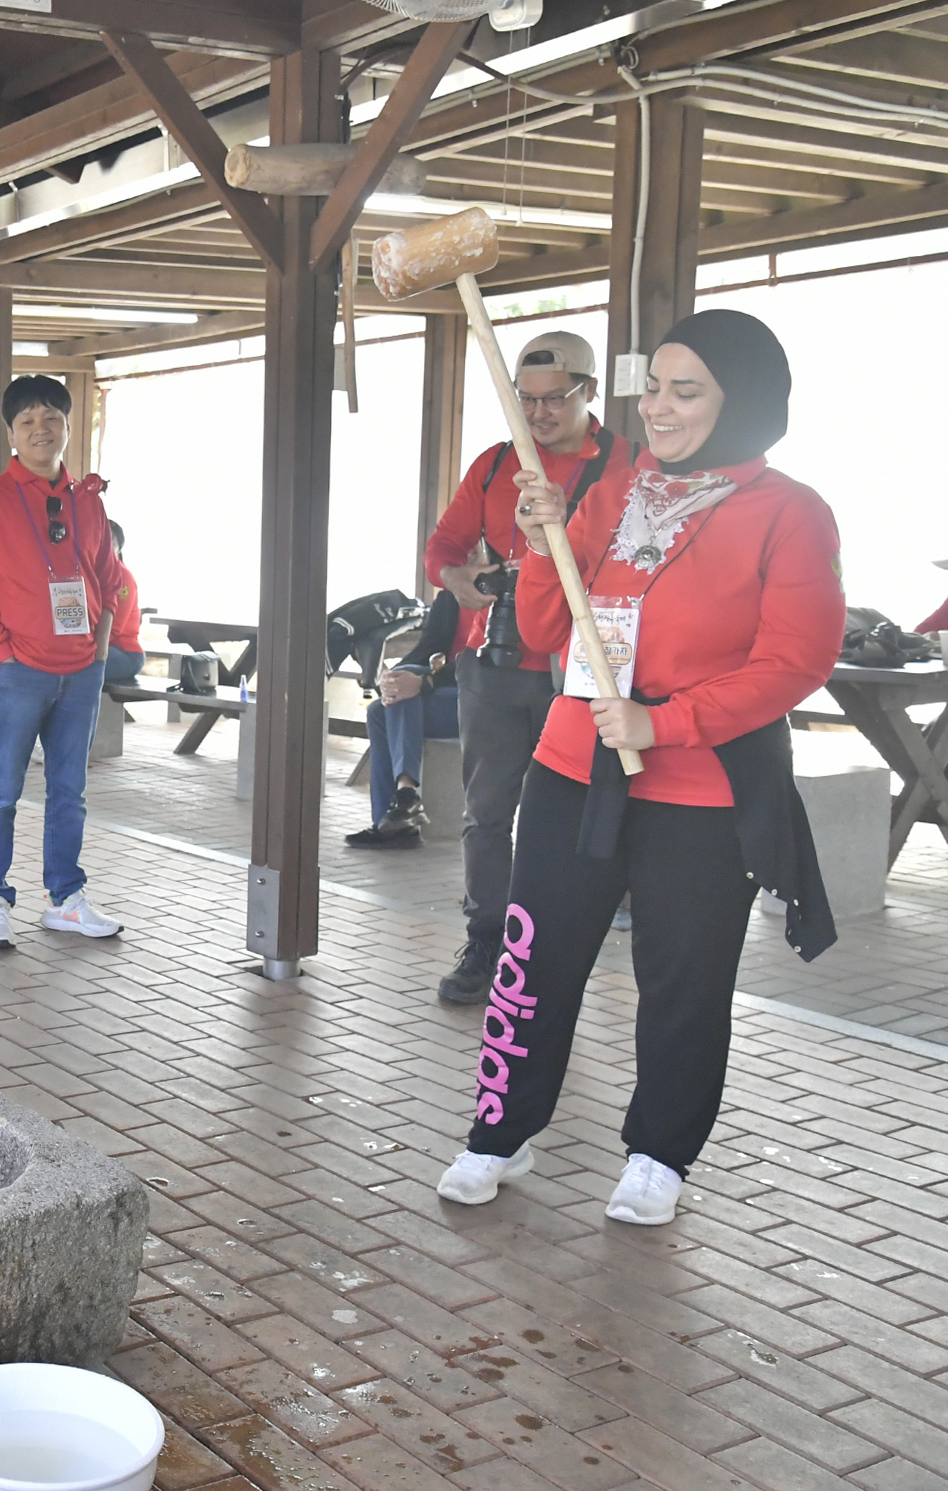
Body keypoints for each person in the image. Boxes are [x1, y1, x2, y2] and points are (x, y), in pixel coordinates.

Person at [435, 309, 842, 1228]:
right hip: (571, 766)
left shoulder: (789, 511)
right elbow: (547, 627)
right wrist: (543, 546)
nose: (658, 408)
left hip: (699, 786)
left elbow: (795, 662)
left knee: (683, 974)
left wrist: (666, 721)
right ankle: (501, 1129)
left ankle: (660, 1150)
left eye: (685, 391)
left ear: (743, 401)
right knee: (531, 958)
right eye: (651, 387)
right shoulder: (616, 495)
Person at [425, 330, 632, 1004]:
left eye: (554, 398)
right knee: (485, 812)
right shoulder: (493, 463)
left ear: (589, 392)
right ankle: (487, 936)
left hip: (579, 672)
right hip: (493, 663)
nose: (538, 412)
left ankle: (554, 946)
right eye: (525, 398)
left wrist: (565, 532)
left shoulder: (625, 469)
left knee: (572, 816)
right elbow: (442, 547)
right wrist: (456, 578)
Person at [0, 375, 122, 948]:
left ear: (67, 428)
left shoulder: (87, 499)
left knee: (69, 790)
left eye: (51, 418)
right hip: (15, 670)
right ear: (11, 433)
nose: (41, 430)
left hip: (80, 669)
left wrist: (99, 649)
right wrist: (1, 652)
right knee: (0, 789)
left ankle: (66, 896)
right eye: (28, 421)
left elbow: (109, 576)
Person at [346, 589, 461, 848]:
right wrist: (395, 677)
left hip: (483, 699)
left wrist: (426, 681)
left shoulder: (499, 594)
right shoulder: (449, 599)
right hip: (444, 693)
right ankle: (391, 818)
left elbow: (484, 663)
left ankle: (405, 797)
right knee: (379, 711)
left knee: (404, 691)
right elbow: (426, 648)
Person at [104, 520, 144, 684]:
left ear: (119, 548)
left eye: (109, 542)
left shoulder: (123, 577)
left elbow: (113, 629)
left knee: (72, 667)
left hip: (124, 654)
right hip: (98, 649)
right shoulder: (85, 574)